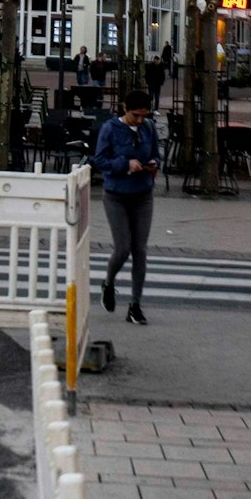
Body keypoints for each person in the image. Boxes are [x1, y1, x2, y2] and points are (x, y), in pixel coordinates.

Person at [94, 89, 160, 325]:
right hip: (116, 196)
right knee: (122, 248)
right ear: (125, 108)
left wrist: (154, 164)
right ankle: (108, 283)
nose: (140, 120)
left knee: (140, 250)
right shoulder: (111, 129)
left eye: (144, 115)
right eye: (135, 116)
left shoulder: (149, 128)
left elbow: (156, 153)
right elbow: (99, 160)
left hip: (143, 195)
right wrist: (124, 164)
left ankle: (135, 305)